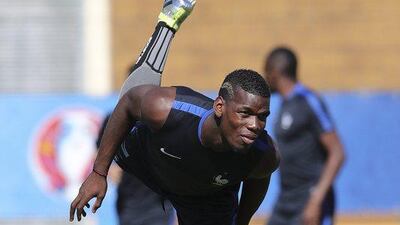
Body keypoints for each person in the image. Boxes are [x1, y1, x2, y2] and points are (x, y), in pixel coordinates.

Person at [69, 1, 280, 225]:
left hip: (201, 196)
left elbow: (259, 175)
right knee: (134, 102)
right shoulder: (168, 109)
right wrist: (99, 173)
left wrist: (242, 220)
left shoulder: (263, 154)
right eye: (245, 113)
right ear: (219, 107)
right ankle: (169, 21)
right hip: (146, 158)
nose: (255, 125)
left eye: (262, 116)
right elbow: (130, 103)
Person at [263, 47, 345, 225]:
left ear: (275, 72)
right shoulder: (285, 105)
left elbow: (337, 153)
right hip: (286, 200)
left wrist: (315, 201)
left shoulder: (308, 101)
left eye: (266, 72)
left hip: (309, 199)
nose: (266, 78)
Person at [96, 113, 174, 225]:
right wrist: (109, 169)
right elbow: (100, 150)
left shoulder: (164, 116)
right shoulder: (116, 117)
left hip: (160, 204)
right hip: (130, 202)